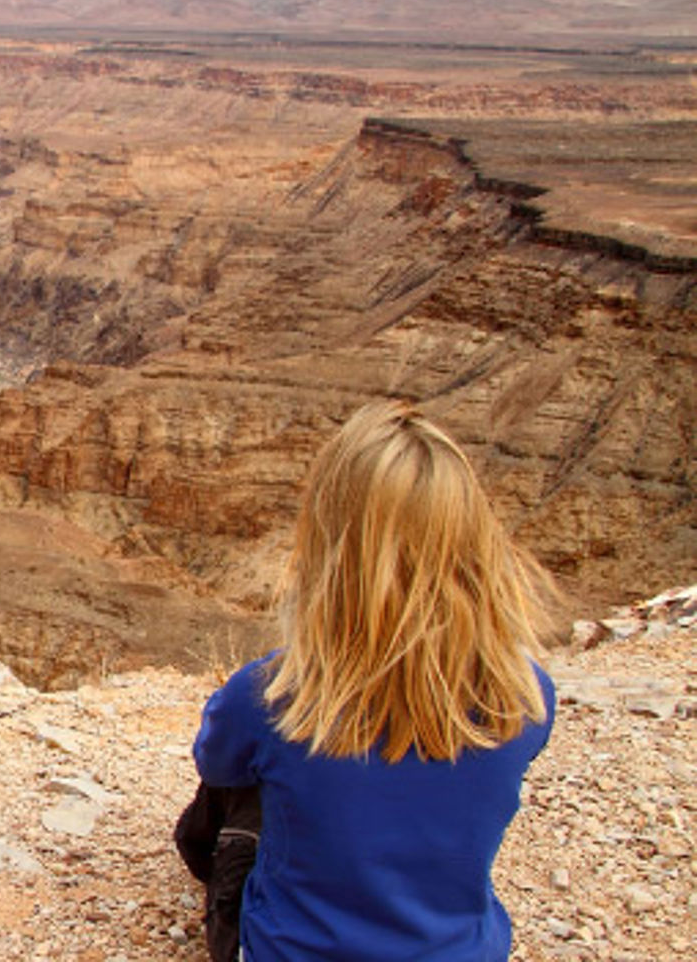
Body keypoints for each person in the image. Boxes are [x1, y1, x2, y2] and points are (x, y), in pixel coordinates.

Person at [189, 401, 557, 961]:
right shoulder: (526, 696)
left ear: (332, 544)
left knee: (243, 780)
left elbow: (215, 764)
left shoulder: (272, 695)